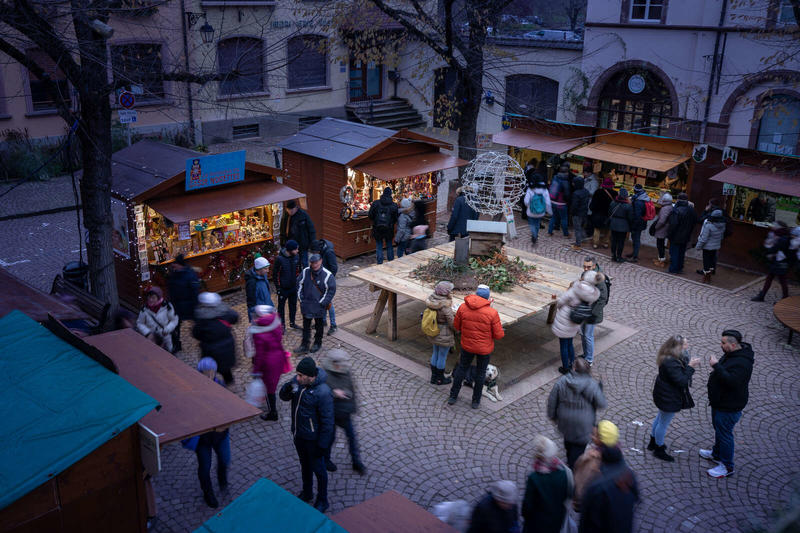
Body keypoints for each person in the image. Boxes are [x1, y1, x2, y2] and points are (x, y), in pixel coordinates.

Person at [279, 357, 335, 512]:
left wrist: (322, 446)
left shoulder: (323, 393)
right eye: (297, 374)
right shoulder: (297, 381)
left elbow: (328, 422)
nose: (297, 378)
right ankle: (307, 492)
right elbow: (283, 397)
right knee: (305, 465)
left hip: (313, 440)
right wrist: (286, 389)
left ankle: (322, 500)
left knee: (319, 470)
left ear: (311, 376)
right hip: (299, 435)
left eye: (300, 375)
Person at [700, 329, 754, 478]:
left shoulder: (742, 363)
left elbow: (732, 382)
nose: (721, 345)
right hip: (720, 402)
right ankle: (716, 453)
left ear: (733, 344)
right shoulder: (733, 353)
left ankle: (727, 466)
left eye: (723, 343)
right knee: (719, 429)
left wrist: (716, 366)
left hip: (729, 406)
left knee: (725, 434)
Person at [448, 284, 505, 409]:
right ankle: (475, 401)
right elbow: (499, 335)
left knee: (461, 369)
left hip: (467, 346)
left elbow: (456, 326)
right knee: (480, 374)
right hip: (484, 349)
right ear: (488, 297)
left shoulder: (463, 307)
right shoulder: (492, 312)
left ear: (476, 294)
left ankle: (453, 396)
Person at [579, 420, 639, 533]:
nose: (591, 436)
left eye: (594, 434)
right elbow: (636, 498)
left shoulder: (596, 483)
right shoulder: (628, 473)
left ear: (602, 441)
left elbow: (587, 519)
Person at [547, 357, 606, 469]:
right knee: (578, 448)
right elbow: (601, 403)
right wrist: (600, 390)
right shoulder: (592, 384)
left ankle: (570, 461)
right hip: (584, 424)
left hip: (565, 422)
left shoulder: (562, 381)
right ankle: (574, 469)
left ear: (574, 369)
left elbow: (552, 401)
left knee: (568, 442)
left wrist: (552, 416)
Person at [648, 335, 699, 462]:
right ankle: (659, 449)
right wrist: (691, 367)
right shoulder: (671, 362)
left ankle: (652, 442)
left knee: (660, 417)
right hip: (668, 397)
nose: (687, 346)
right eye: (685, 345)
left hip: (663, 393)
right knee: (663, 423)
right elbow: (681, 381)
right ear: (678, 347)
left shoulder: (667, 355)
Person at [320, 349, 366, 475]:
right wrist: (334, 393)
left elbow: (352, 389)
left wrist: (353, 407)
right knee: (330, 438)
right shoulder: (324, 374)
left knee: (351, 437)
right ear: (333, 363)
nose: (343, 366)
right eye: (340, 363)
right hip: (331, 413)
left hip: (344, 413)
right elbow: (320, 393)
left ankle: (356, 462)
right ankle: (325, 459)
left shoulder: (345, 371)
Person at [193, 357, 231, 508]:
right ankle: (208, 493)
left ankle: (222, 480)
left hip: (220, 434)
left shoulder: (220, 385)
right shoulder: (193, 391)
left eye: (211, 372)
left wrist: (225, 425)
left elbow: (228, 408)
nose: (209, 375)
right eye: (205, 373)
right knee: (204, 466)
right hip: (203, 438)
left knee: (224, 460)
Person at [521, 435, 573, 533]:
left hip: (537, 523)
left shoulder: (535, 478)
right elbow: (568, 494)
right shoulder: (565, 473)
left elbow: (527, 505)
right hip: (557, 520)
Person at [551, 273, 600, 374]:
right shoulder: (591, 293)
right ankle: (573, 364)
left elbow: (561, 302)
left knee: (563, 345)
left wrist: (560, 308)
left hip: (565, 318)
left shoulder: (576, 288)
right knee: (569, 343)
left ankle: (565, 367)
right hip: (576, 321)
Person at [192, 292, 239, 385]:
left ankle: (213, 386)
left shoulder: (201, 319)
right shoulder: (225, 313)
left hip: (209, 351)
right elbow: (235, 317)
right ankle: (229, 382)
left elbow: (196, 334)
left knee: (210, 371)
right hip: (226, 350)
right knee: (226, 370)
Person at [248, 305, 286, 422]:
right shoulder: (276, 322)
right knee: (272, 384)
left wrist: (256, 370)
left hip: (268, 364)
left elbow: (259, 354)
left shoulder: (258, 332)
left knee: (269, 389)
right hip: (279, 358)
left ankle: (272, 413)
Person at [296, 253, 336, 354]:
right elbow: (299, 284)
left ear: (321, 261)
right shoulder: (305, 272)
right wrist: (301, 299)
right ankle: (304, 345)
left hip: (319, 307)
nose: (314, 265)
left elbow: (331, 291)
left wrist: (322, 303)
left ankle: (317, 342)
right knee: (306, 326)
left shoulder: (327, 275)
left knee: (319, 326)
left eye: (316, 262)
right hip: (307, 305)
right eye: (313, 263)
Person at [166, 254, 199, 352]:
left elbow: (194, 291)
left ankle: (204, 339)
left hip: (188, 305)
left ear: (181, 265)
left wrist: (195, 304)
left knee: (197, 324)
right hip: (176, 305)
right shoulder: (173, 274)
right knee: (175, 327)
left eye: (175, 263)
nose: (174, 265)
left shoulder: (190, 274)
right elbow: (170, 289)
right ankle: (176, 344)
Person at [425, 281, 456, 386]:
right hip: (444, 333)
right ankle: (440, 379)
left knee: (435, 353)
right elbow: (452, 323)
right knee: (442, 356)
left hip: (433, 330)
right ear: (446, 292)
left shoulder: (431, 300)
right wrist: (458, 330)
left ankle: (433, 377)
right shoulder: (445, 306)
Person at [752, 221, 791, 301]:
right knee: (772, 278)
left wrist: (769, 252)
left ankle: (785, 297)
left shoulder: (783, 237)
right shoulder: (780, 235)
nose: (773, 226)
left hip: (781, 261)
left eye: (775, 225)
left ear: (779, 227)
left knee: (781, 280)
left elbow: (777, 248)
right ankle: (762, 295)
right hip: (779, 260)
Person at [580, 258, 609, 366]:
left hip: (592, 313)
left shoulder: (599, 278)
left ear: (594, 266)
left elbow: (603, 298)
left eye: (588, 267)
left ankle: (589, 359)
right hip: (585, 309)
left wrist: (593, 314)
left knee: (588, 335)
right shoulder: (585, 274)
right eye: (584, 266)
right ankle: (585, 354)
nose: (586, 269)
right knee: (583, 333)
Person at [137, 286, 179, 353]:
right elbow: (139, 323)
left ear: (158, 298)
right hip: (152, 339)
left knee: (169, 354)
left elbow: (174, 320)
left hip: (166, 337)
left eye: (153, 297)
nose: (150, 300)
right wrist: (148, 333)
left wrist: (167, 329)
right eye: (149, 297)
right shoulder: (144, 309)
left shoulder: (167, 306)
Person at [311, 239, 339, 335]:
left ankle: (333, 325)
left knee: (328, 303)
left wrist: (328, 279)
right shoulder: (321, 251)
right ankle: (323, 321)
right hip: (320, 280)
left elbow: (334, 268)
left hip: (327, 281)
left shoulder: (329, 252)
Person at [273, 239, 301, 331]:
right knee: (281, 308)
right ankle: (282, 325)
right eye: (296, 249)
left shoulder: (296, 257)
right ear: (290, 250)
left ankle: (292, 323)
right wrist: (278, 288)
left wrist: (298, 283)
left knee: (293, 306)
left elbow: (298, 271)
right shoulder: (279, 259)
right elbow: (275, 274)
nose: (297, 251)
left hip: (293, 287)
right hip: (283, 289)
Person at [280, 199, 317, 268]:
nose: (290, 212)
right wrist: (282, 243)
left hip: (302, 244)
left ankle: (305, 275)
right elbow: (282, 230)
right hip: (291, 245)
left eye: (292, 210)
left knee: (304, 262)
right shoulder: (286, 216)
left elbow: (311, 229)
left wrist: (313, 242)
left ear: (296, 208)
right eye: (289, 210)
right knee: (292, 262)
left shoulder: (303, 215)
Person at [667, 192, 698, 274]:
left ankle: (673, 269)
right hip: (686, 234)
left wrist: (669, 234)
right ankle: (679, 268)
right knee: (681, 252)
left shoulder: (676, 210)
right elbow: (695, 221)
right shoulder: (691, 209)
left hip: (676, 235)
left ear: (678, 199)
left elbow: (673, 224)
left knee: (675, 252)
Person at [368, 186, 399, 264]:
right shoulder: (394, 205)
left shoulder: (376, 203)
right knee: (389, 244)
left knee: (379, 245)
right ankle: (391, 261)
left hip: (377, 227)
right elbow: (396, 217)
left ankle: (379, 262)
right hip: (389, 228)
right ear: (391, 194)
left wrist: (375, 221)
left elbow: (370, 215)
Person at [695, 209, 726, 283]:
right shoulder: (723, 225)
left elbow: (704, 238)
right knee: (712, 260)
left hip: (707, 247)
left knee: (706, 261)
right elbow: (721, 237)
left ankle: (707, 277)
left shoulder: (709, 225)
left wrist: (698, 246)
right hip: (716, 246)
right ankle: (709, 274)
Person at [625, 184, 650, 263]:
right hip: (642, 222)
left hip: (637, 223)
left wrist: (633, 225)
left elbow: (637, 215)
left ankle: (635, 257)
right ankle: (634, 253)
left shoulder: (638, 201)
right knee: (635, 239)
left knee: (636, 239)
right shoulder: (643, 198)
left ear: (635, 191)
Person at [589, 177, 616, 249]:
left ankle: (595, 243)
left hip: (598, 213)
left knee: (597, 229)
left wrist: (592, 210)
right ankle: (605, 243)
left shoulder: (598, 192)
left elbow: (593, 203)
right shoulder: (615, 193)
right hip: (609, 214)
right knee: (608, 229)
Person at [608, 188, 634, 263]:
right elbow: (630, 217)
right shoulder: (628, 206)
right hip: (623, 226)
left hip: (614, 224)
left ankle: (613, 256)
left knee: (614, 241)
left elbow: (609, 212)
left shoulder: (613, 202)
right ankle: (619, 257)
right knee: (621, 242)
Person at [523, 179, 552, 245]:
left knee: (532, 224)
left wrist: (529, 206)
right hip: (541, 212)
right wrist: (549, 211)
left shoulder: (530, 189)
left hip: (531, 211)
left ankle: (534, 235)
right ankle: (536, 234)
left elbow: (526, 201)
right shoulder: (545, 190)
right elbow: (548, 202)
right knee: (537, 223)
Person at [245, 256, 273, 321]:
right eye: (265, 269)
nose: (268, 271)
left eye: (268, 268)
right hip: (260, 315)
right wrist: (254, 317)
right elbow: (251, 301)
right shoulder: (252, 283)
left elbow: (267, 295)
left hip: (267, 310)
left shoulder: (264, 276)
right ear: (259, 269)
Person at [548, 163, 572, 237]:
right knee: (564, 218)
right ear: (566, 172)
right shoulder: (565, 182)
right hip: (561, 203)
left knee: (554, 217)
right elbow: (567, 194)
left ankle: (549, 232)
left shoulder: (555, 177)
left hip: (552, 201)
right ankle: (566, 234)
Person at [651, 192, 673, 267]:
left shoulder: (665, 208)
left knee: (660, 244)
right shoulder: (669, 206)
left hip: (662, 229)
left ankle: (661, 260)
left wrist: (656, 227)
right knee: (661, 244)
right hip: (664, 228)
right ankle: (660, 258)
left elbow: (662, 221)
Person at [570, 176, 591, 251]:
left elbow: (574, 205)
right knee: (581, 227)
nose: (572, 184)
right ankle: (584, 238)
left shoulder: (576, 193)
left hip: (577, 213)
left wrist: (572, 212)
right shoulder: (586, 191)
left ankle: (577, 244)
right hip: (584, 212)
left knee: (577, 229)